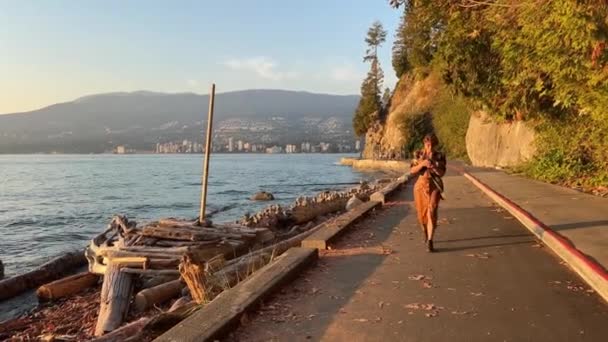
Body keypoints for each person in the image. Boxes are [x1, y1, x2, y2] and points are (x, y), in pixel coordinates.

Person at [409, 133, 447, 252]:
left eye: (431, 144)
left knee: (432, 210)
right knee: (422, 215)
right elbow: (412, 171)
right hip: (420, 186)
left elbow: (442, 173)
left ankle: (430, 240)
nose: (428, 146)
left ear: (435, 145)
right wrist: (422, 164)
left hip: (434, 185)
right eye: (427, 144)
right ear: (424, 144)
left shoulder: (440, 155)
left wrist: (435, 168)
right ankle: (425, 232)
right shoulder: (418, 154)